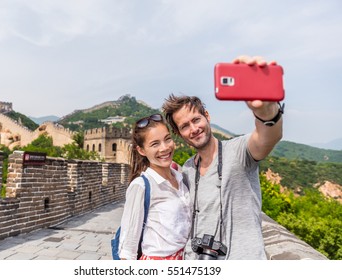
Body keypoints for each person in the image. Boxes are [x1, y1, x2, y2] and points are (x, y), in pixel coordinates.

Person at [162, 56, 284, 260]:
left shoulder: (238, 152)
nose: (194, 129)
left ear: (207, 116)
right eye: (185, 126)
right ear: (179, 133)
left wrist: (266, 112)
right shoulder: (188, 169)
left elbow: (268, 137)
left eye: (196, 119)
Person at [117, 114, 192, 260]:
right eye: (155, 144)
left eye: (167, 139)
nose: (164, 148)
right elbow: (127, 249)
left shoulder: (181, 178)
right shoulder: (141, 186)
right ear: (141, 150)